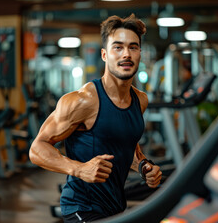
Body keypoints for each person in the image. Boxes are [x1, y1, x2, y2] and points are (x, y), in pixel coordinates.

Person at [29, 13, 162, 223]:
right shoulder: (83, 101)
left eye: (133, 47)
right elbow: (37, 148)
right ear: (104, 55)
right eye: (117, 47)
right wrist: (79, 169)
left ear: (139, 54)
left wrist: (144, 166)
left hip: (116, 205)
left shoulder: (140, 100)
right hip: (81, 207)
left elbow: (126, 144)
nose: (126, 54)